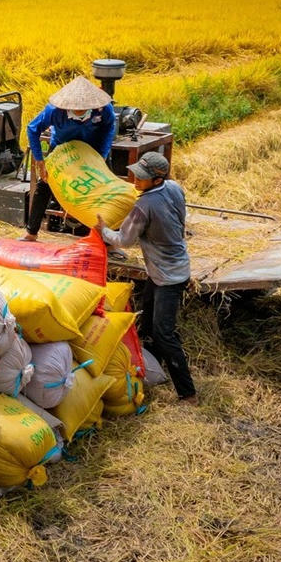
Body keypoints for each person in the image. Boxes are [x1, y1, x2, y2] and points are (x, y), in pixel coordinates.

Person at [96, 151, 197, 404]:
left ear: (157, 179)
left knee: (164, 334)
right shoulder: (174, 188)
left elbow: (124, 240)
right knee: (149, 324)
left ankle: (187, 393)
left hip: (167, 277)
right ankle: (153, 370)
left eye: (141, 177)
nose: (135, 180)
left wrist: (103, 230)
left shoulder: (144, 206)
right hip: (172, 268)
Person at [24, 77, 117, 240]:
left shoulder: (103, 110)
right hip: (62, 148)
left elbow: (110, 128)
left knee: (104, 187)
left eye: (84, 108)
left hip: (93, 150)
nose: (79, 111)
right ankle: (31, 233)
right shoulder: (54, 111)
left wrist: (102, 155)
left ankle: (106, 238)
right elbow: (32, 129)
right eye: (76, 109)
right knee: (44, 184)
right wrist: (39, 159)